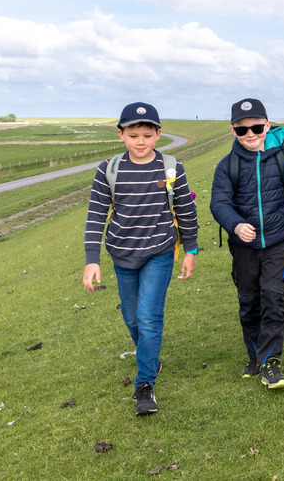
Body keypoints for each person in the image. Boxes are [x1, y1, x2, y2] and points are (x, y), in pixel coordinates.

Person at [83, 102, 199, 416]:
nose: (140, 141)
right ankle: (150, 354)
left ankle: (144, 384)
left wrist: (191, 250)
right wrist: (91, 259)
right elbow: (96, 215)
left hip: (159, 252)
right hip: (122, 254)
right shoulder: (108, 169)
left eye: (147, 134)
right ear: (121, 134)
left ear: (158, 135)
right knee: (132, 318)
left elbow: (187, 211)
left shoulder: (172, 168)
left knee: (149, 318)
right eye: (133, 134)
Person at [210, 98, 284, 389]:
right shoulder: (227, 165)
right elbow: (219, 202)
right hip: (243, 248)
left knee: (273, 298)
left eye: (256, 127)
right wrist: (236, 225)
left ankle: (271, 363)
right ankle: (254, 356)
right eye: (243, 130)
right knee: (249, 301)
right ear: (233, 131)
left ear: (267, 125)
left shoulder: (283, 159)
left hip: (277, 243)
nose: (250, 134)